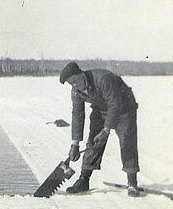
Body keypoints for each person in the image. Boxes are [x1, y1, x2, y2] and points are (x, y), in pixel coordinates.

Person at [59, 62, 140, 197]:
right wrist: (75, 144)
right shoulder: (76, 91)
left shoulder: (103, 78)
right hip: (101, 109)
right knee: (93, 142)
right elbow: (77, 114)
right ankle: (84, 180)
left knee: (127, 141)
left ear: (81, 74)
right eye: (70, 84)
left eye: (74, 81)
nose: (74, 85)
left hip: (124, 108)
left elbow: (115, 104)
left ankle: (132, 183)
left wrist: (106, 129)